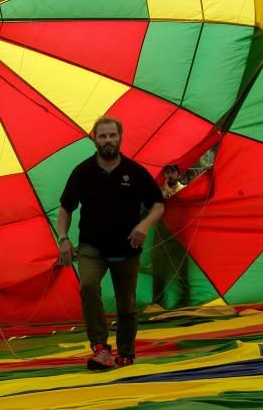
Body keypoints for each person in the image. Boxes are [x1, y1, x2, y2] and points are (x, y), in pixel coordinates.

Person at [57, 116, 165, 370]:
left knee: (126, 302)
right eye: (102, 136)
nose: (107, 140)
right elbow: (65, 208)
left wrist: (143, 225)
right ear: (94, 139)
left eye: (112, 136)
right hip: (91, 246)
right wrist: (63, 238)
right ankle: (100, 348)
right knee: (88, 285)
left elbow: (158, 204)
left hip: (127, 248)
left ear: (120, 138)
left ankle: (126, 352)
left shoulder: (134, 171)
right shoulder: (82, 172)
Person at [152, 164, 190, 308]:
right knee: (158, 272)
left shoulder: (184, 190)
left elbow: (198, 197)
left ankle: (184, 303)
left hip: (180, 238)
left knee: (182, 273)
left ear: (178, 174)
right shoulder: (157, 192)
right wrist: (163, 196)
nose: (169, 175)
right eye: (166, 172)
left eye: (172, 172)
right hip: (160, 238)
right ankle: (158, 303)